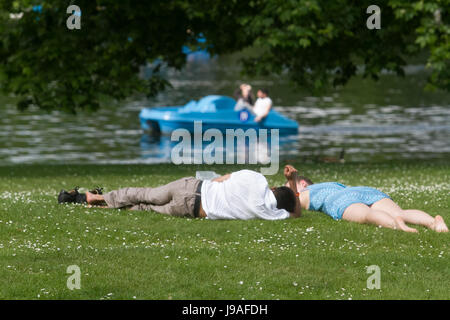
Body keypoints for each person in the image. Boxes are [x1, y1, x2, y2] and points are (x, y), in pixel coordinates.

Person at [74, 166, 302, 220]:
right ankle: (102, 205)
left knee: (146, 193)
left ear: (274, 188)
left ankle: (100, 197)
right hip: (192, 209)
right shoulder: (267, 212)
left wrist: (289, 178)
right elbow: (296, 214)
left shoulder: (256, 178)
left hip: (193, 187)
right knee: (147, 207)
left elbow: (223, 178)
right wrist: (293, 184)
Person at [285, 167, 448, 233]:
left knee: (367, 215)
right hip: (361, 190)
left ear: (303, 184)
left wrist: (291, 183)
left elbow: (296, 207)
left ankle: (396, 225)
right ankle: (434, 223)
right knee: (400, 211)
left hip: (339, 199)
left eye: (291, 188)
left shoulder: (307, 192)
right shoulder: (335, 184)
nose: (291, 192)